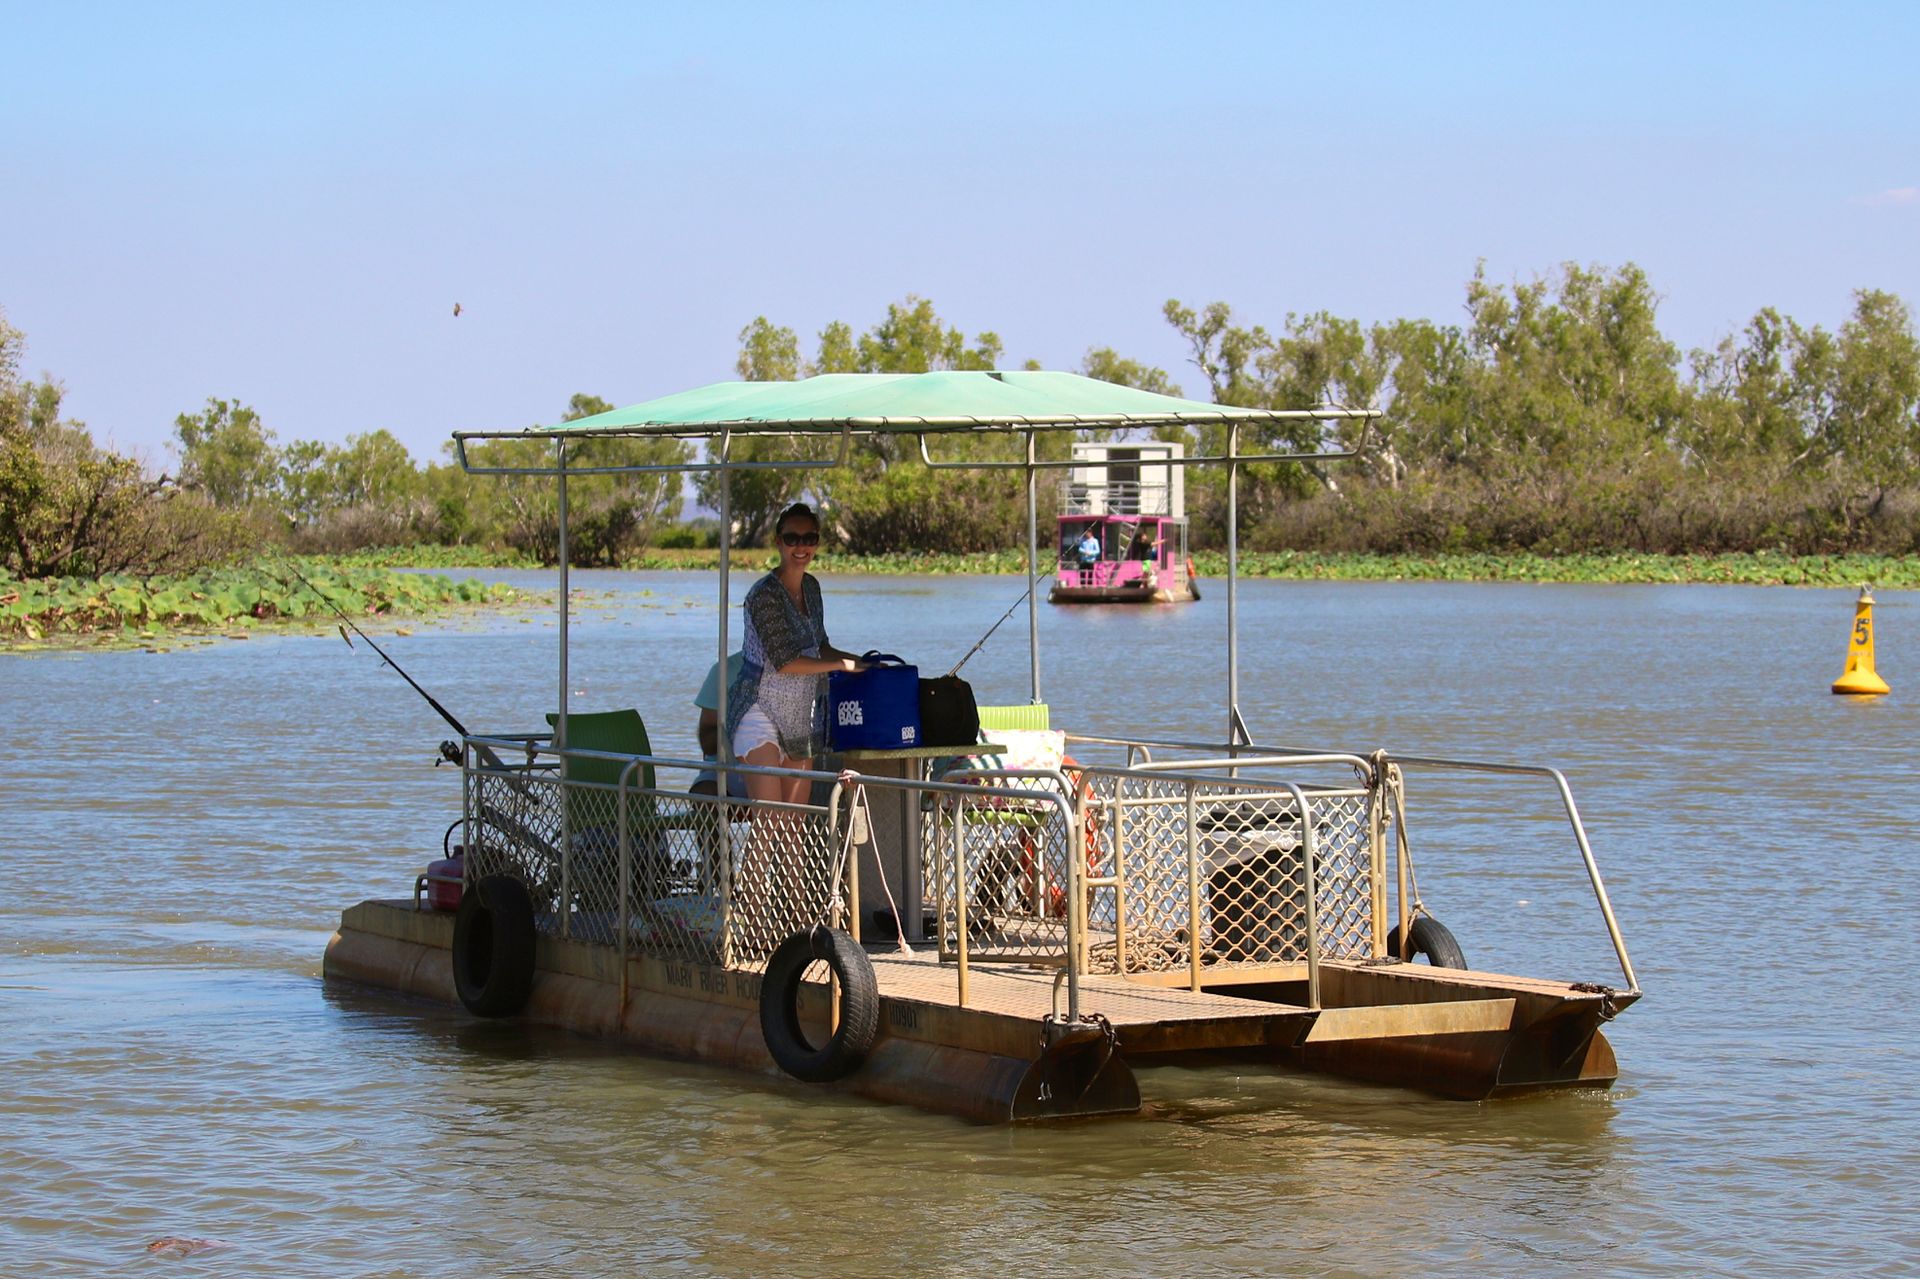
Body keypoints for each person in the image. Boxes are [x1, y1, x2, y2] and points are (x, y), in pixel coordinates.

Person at [725, 502, 869, 807]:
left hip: (799, 716)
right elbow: (786, 661)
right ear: (778, 541)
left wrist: (863, 664)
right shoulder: (764, 595)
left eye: (809, 539)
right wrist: (841, 665)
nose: (800, 546)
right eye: (792, 538)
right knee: (770, 821)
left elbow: (821, 646)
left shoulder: (812, 588)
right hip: (757, 709)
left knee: (794, 824)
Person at [689, 652, 747, 800]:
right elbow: (707, 742)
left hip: (790, 765)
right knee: (705, 795)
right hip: (728, 768)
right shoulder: (724, 670)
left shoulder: (809, 668)